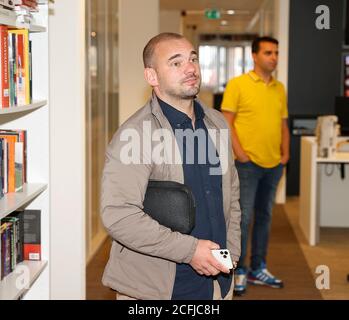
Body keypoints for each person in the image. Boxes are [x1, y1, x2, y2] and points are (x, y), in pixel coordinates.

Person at [100, 32, 241, 300]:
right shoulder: (135, 135)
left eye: (193, 59)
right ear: (152, 77)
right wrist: (191, 251)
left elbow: (231, 195)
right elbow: (119, 215)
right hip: (157, 289)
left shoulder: (217, 123)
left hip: (217, 285)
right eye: (176, 63)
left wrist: (231, 254)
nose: (190, 68)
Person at [221, 36, 290, 295]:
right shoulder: (238, 85)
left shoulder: (279, 88)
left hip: (274, 165)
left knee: (265, 217)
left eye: (276, 53)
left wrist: (286, 155)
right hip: (248, 165)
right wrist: (241, 154)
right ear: (254, 55)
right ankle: (237, 269)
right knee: (243, 218)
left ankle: (258, 267)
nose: (273, 57)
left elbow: (283, 123)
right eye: (268, 52)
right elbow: (227, 121)